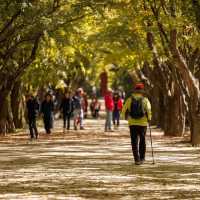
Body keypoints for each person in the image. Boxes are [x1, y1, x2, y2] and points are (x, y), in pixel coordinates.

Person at [122, 83, 152, 165]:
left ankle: (136, 159)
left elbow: (124, 109)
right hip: (143, 123)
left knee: (134, 141)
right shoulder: (145, 100)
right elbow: (148, 110)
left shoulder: (129, 99)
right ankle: (142, 158)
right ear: (142, 91)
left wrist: (125, 117)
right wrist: (149, 118)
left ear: (135, 91)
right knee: (142, 140)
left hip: (132, 123)